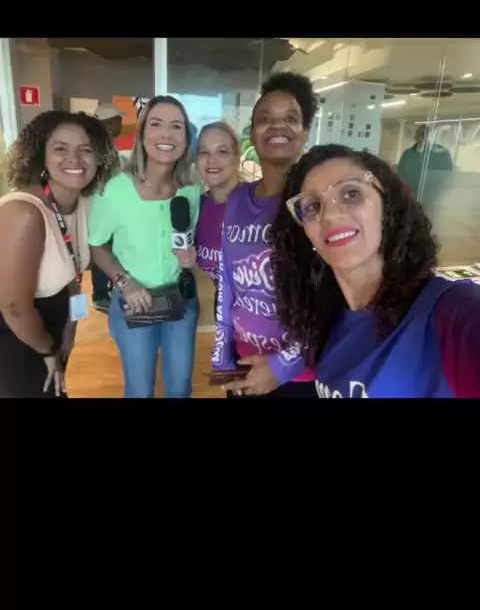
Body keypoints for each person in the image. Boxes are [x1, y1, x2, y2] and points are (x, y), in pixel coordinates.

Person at [270, 144, 480, 398]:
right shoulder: (325, 319)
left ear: (388, 208)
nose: (331, 215)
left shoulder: (453, 311)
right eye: (313, 206)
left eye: (351, 194)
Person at [212, 72, 319, 398]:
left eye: (291, 118)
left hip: (299, 374)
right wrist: (222, 353)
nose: (277, 126)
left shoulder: (317, 203)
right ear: (252, 134)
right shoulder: (237, 199)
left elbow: (334, 300)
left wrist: (281, 368)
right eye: (265, 119)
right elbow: (227, 280)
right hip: (243, 361)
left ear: (305, 132)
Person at [0, 111, 119, 398]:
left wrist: (71, 324)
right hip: (18, 337)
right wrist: (49, 351)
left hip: (51, 332)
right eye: (61, 148)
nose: (74, 159)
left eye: (85, 149)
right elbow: (14, 307)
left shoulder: (84, 204)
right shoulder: (24, 211)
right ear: (41, 155)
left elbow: (74, 275)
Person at [88, 95, 201, 398]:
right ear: (142, 133)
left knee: (180, 389)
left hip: (182, 302)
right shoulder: (114, 189)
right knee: (139, 390)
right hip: (134, 304)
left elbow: (190, 240)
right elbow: (97, 246)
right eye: (156, 124)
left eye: (176, 126)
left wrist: (191, 255)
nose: (166, 134)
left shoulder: (192, 188)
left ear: (186, 138)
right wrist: (125, 282)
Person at [195, 121, 241, 297]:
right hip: (209, 308)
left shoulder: (255, 204)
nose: (211, 160)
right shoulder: (196, 207)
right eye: (204, 152)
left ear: (236, 158)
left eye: (222, 152)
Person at [90, 102, 126, 313]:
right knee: (102, 249)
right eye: (119, 119)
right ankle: (100, 295)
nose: (122, 123)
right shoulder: (100, 148)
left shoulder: (107, 146)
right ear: (109, 122)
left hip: (110, 208)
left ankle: (107, 291)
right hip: (103, 209)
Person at [397, 124, 453, 217]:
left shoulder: (442, 153)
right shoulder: (408, 154)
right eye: (421, 134)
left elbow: (447, 175)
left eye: (426, 135)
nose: (424, 138)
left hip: (432, 198)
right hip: (410, 198)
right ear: (415, 136)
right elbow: (401, 174)